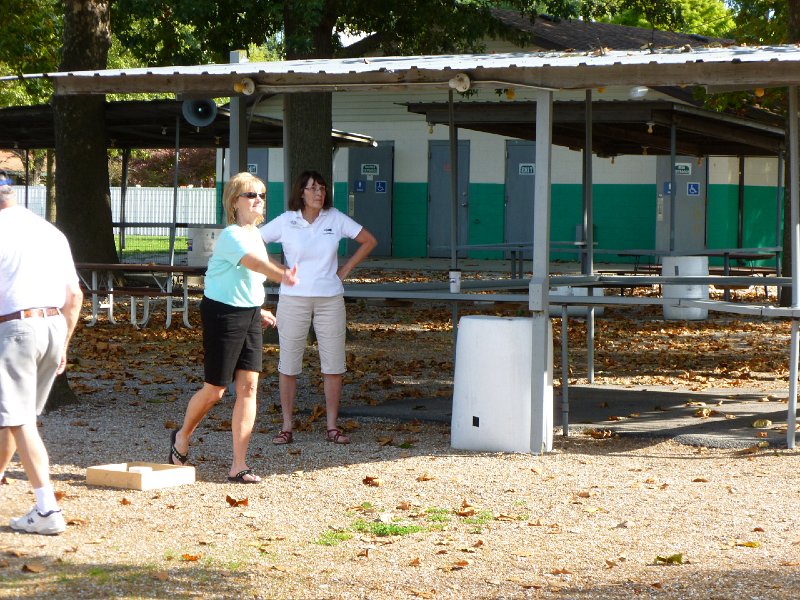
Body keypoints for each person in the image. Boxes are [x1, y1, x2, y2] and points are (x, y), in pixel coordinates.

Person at [169, 172, 298, 483]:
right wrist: (283, 274)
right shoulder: (231, 235)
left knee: (249, 388)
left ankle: (239, 464)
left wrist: (259, 310)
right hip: (222, 315)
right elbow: (254, 265)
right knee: (215, 390)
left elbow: (249, 279)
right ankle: (181, 437)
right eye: (251, 195)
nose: (258, 200)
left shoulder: (256, 233)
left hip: (249, 313)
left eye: (262, 195)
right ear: (234, 202)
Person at [260, 170, 377, 445]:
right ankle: (287, 426)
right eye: (312, 188)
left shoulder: (334, 217)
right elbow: (255, 242)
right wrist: (278, 269)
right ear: (301, 192)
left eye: (322, 188)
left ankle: (332, 426)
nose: (318, 193)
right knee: (288, 363)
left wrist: (346, 268)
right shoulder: (288, 221)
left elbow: (369, 240)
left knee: (333, 365)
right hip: (293, 298)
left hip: (330, 299)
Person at [0, 176, 83, 535]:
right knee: (13, 414)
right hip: (53, 327)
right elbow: (75, 296)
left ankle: (47, 508)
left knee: (21, 421)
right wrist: (63, 344)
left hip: (16, 327)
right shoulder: (50, 232)